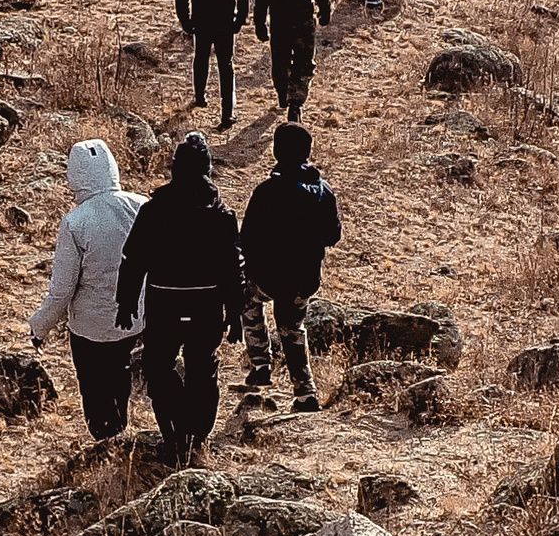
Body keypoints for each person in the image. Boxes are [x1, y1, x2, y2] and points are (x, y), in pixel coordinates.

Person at [115, 133, 246, 464]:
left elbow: (133, 261)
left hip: (164, 303)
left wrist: (126, 302)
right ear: (208, 170)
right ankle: (197, 437)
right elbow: (233, 269)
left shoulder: (154, 210)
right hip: (206, 305)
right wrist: (235, 312)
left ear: (174, 169)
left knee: (159, 368)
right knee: (203, 369)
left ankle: (174, 435)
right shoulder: (221, 214)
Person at [26, 137, 143, 443]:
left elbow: (62, 290)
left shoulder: (75, 222)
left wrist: (40, 327)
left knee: (94, 389)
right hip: (135, 319)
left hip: (90, 327)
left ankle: (105, 443)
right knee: (121, 379)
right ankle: (119, 438)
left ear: (74, 176)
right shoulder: (141, 205)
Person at [239, 122, 341, 411]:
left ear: (276, 151)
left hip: (267, 276)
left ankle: (260, 364)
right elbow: (333, 235)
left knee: (248, 301)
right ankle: (305, 393)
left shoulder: (266, 191)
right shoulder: (323, 191)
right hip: (303, 278)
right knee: (293, 328)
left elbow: (245, 238)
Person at [173, 0, 250, 127]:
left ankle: (200, 96)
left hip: (201, 22)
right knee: (226, 65)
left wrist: (185, 21)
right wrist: (239, 21)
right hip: (225, 23)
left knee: (201, 59)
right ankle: (227, 113)